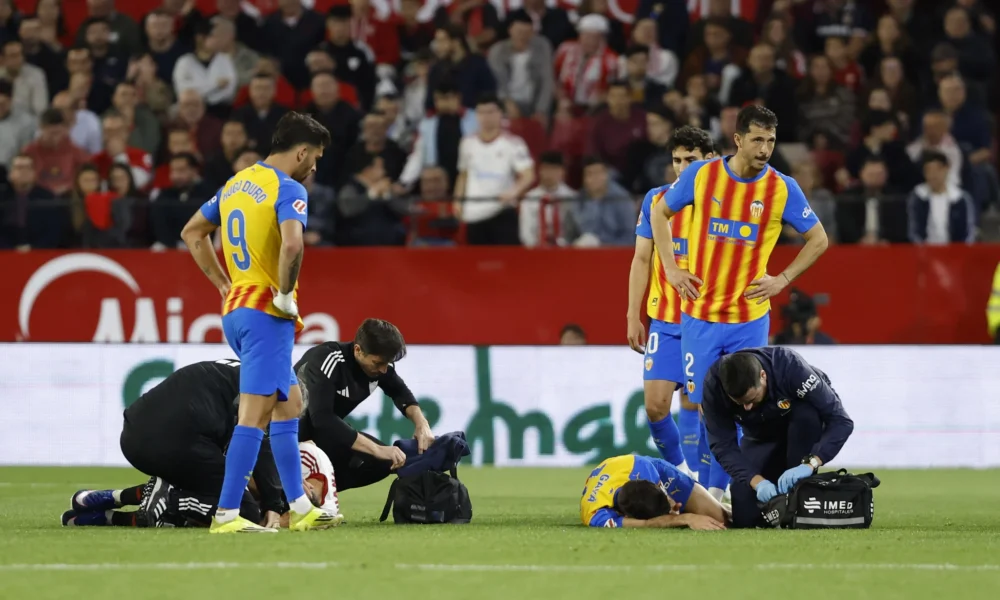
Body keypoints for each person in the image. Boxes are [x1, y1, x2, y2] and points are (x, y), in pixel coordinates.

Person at [649, 105, 829, 502]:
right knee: (699, 404)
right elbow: (660, 213)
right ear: (738, 139)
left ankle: (720, 491)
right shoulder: (702, 175)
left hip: (748, 318)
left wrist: (782, 279)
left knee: (743, 403)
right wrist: (673, 269)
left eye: (771, 140)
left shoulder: (782, 188)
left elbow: (819, 239)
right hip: (700, 315)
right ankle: (702, 487)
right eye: (758, 139)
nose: (765, 148)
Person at [179, 112, 335, 534]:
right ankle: (227, 514)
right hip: (268, 313)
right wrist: (285, 294)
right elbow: (292, 244)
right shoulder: (290, 188)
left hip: (236, 309)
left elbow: (193, 232)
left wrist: (221, 284)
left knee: (290, 404)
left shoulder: (235, 184)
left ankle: (300, 507)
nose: (315, 166)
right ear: (301, 151)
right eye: (315, 157)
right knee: (254, 416)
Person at [62, 360, 335, 529]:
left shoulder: (242, 371)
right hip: (175, 441)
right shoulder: (269, 391)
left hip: (134, 430)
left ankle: (106, 506)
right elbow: (258, 445)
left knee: (212, 480)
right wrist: (274, 506)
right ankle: (166, 500)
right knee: (244, 510)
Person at [628, 126, 715, 482]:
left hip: (709, 322)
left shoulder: (721, 205)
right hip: (664, 321)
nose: (682, 167)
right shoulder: (655, 200)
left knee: (712, 410)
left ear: (709, 160)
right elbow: (641, 260)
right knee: (655, 405)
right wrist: (634, 315)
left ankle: (714, 487)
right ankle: (684, 477)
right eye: (677, 160)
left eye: (690, 160)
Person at [701, 349, 854, 529]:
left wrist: (810, 463)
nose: (747, 407)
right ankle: (780, 497)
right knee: (745, 519)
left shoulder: (790, 367)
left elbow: (842, 421)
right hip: (759, 436)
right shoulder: (714, 385)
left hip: (800, 430)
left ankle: (799, 494)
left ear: (763, 376)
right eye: (740, 403)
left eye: (751, 399)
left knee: (807, 414)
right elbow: (722, 445)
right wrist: (757, 482)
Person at [295, 319, 434, 491]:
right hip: (284, 438)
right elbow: (322, 418)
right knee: (378, 454)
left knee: (385, 462)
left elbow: (400, 392)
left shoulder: (378, 368)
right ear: (358, 350)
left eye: (387, 363)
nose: (384, 370)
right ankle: (287, 494)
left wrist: (422, 424)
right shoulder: (328, 359)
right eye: (378, 363)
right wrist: (376, 449)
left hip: (320, 438)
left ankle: (321, 494)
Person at [454, 94, 534, 246]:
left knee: (505, 262)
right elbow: (463, 175)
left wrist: (513, 192)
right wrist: (458, 200)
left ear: (500, 114)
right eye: (481, 112)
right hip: (474, 212)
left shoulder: (514, 143)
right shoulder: (467, 143)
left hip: (501, 212)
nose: (486, 117)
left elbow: (528, 175)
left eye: (490, 112)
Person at [579, 454, 727, 529]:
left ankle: (726, 507)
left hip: (648, 467)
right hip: (615, 474)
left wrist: (672, 505)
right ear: (627, 515)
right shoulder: (596, 515)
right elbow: (645, 524)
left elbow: (665, 497)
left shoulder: (645, 470)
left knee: (723, 519)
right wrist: (686, 518)